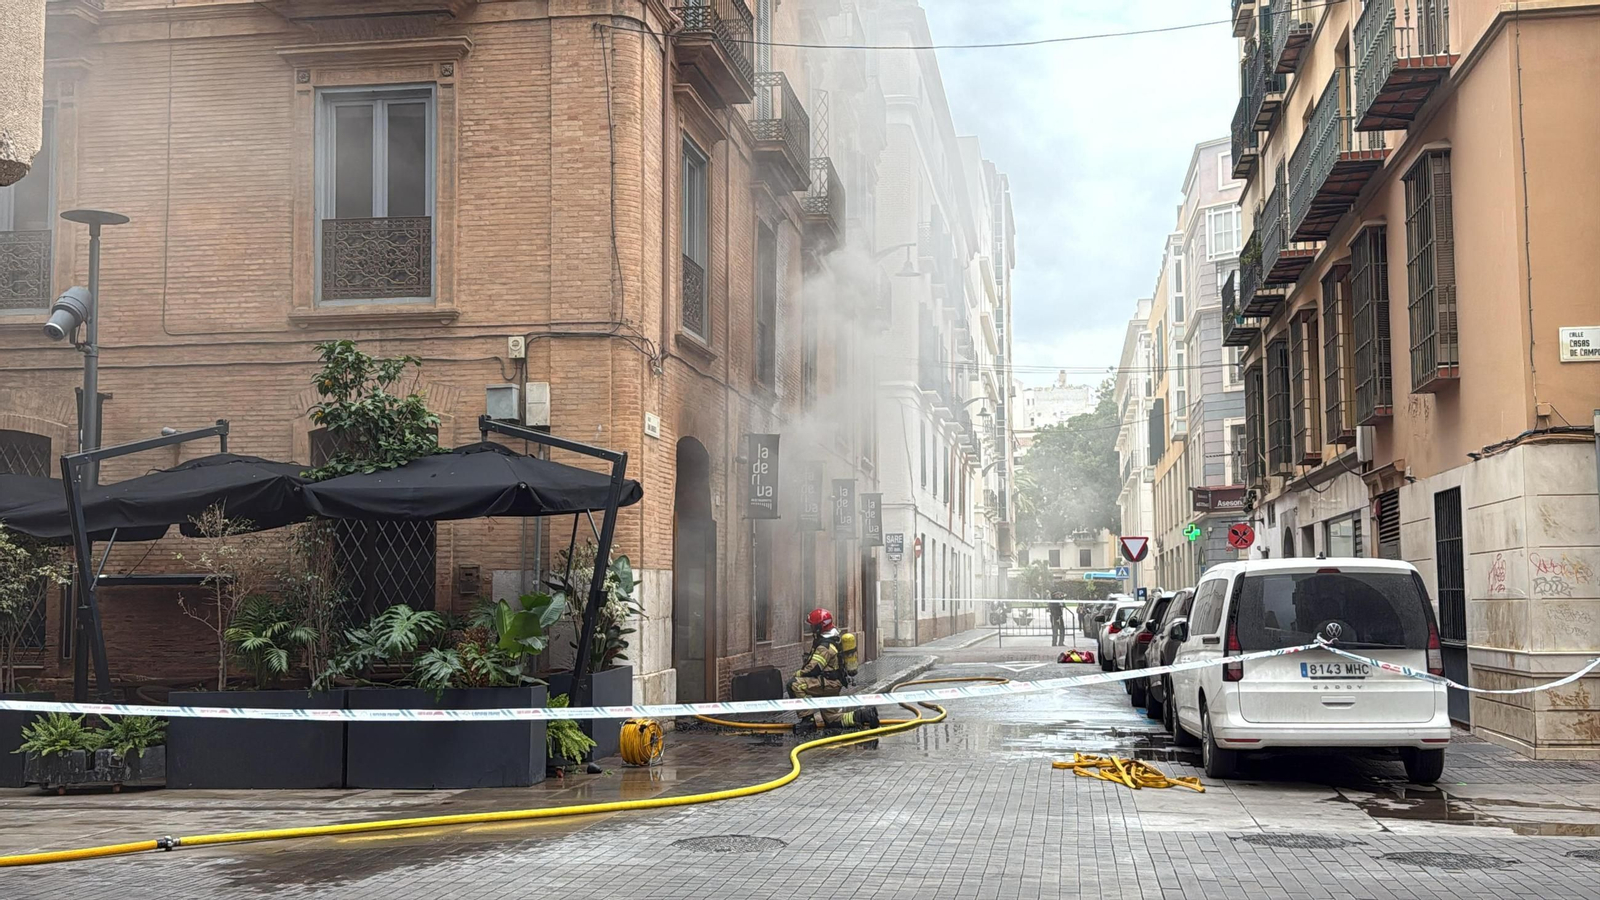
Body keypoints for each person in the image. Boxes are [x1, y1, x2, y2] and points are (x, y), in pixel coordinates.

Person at [789, 608, 880, 732]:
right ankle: (865, 715)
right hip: (832, 683)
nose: (811, 629)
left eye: (813, 626)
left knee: (794, 685)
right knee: (832, 720)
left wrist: (797, 674)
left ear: (820, 626)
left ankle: (808, 721)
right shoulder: (832, 637)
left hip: (827, 684)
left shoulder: (824, 646)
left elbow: (813, 669)